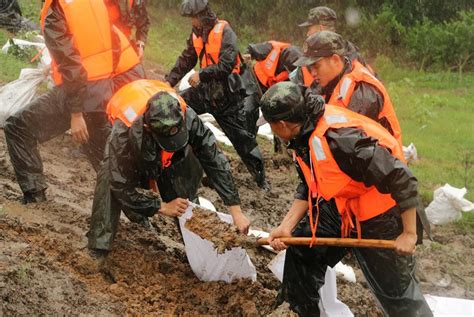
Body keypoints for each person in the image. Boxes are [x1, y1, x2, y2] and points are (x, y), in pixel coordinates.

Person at [259, 82, 432, 317]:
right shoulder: (303, 134)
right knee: (302, 251)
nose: (271, 131)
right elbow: (310, 184)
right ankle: (294, 311)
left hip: (380, 215)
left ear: (282, 124)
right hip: (342, 207)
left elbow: (401, 178)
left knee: (398, 297)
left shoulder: (341, 139)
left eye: (270, 125)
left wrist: (409, 233)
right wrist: (286, 227)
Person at [87, 79, 250, 256]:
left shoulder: (187, 116)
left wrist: (236, 211)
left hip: (167, 149)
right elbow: (120, 184)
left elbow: (214, 159)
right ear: (148, 128)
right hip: (132, 136)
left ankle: (200, 248)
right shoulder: (123, 134)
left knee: (183, 192)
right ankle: (99, 247)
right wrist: (161, 206)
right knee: (108, 178)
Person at [4, 0, 144, 204]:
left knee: (17, 128)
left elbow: (70, 62)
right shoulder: (92, 2)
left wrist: (76, 113)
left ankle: (35, 198)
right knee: (106, 161)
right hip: (100, 90)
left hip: (80, 93)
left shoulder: (57, 8)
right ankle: (141, 212)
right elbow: (107, 45)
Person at [165, 0, 269, 190]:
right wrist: (169, 81)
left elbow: (227, 65)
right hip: (206, 91)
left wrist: (202, 74)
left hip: (228, 94)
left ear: (203, 15)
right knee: (176, 107)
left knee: (242, 140)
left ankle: (261, 182)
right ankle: (176, 162)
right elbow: (187, 58)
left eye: (193, 18)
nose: (192, 23)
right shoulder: (196, 33)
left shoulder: (225, 32)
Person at [294, 31, 402, 146]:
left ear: (335, 60)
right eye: (310, 67)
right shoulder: (325, 82)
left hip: (379, 159)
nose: (313, 73)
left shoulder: (362, 91)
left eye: (316, 66)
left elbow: (353, 143)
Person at [292, 6, 372, 89]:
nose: (307, 34)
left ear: (321, 28)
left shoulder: (354, 57)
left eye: (309, 29)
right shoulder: (354, 54)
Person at [243, 41, 302, 149]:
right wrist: (247, 56)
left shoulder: (297, 73)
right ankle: (250, 144)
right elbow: (251, 48)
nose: (293, 72)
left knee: (278, 116)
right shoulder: (271, 48)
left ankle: (279, 148)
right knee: (248, 111)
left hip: (273, 92)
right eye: (291, 69)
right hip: (256, 84)